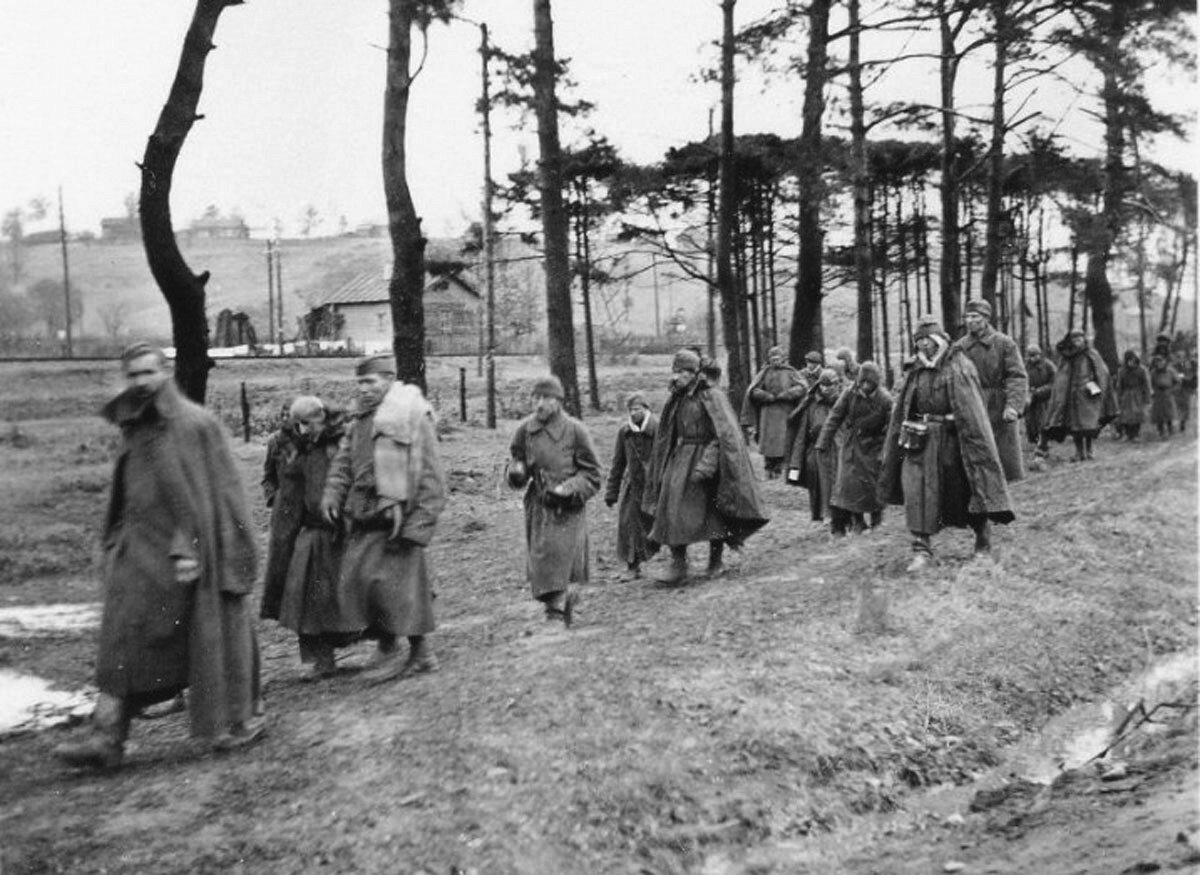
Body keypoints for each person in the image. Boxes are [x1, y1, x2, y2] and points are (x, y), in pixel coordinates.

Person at [54, 343, 262, 770]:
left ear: (166, 372)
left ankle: (234, 722)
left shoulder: (191, 424)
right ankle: (107, 735)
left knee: (207, 636)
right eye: (132, 376)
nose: (141, 383)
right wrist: (115, 542)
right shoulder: (137, 426)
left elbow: (209, 496)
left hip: (181, 561)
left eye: (149, 373)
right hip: (136, 556)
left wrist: (190, 548)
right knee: (120, 639)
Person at [320, 354, 447, 683]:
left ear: (389, 381)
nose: (362, 389)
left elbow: (433, 478)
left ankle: (420, 654)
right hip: (365, 517)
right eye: (359, 383)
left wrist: (419, 525)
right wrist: (333, 495)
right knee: (368, 586)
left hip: (399, 521)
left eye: (370, 382)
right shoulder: (360, 421)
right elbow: (344, 465)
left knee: (402, 592)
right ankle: (388, 646)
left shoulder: (412, 417)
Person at [878, 317, 1014, 572]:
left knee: (965, 488)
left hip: (955, 442)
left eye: (928, 341)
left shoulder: (958, 366)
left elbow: (971, 409)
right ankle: (921, 549)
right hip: (920, 442)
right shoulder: (916, 371)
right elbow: (906, 405)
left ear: (939, 340)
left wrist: (953, 419)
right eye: (919, 342)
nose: (924, 346)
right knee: (916, 492)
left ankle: (982, 540)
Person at [642, 349, 768, 585]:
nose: (676, 377)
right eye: (675, 372)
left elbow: (723, 434)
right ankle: (678, 563)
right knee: (671, 508)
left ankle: (716, 560)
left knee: (713, 511)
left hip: (708, 459)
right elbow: (668, 432)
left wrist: (707, 464)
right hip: (681, 458)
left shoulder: (712, 396)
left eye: (681, 372)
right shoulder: (677, 398)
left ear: (693, 373)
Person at [260, 396, 356, 680]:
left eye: (307, 423)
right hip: (301, 530)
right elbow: (272, 479)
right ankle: (322, 659)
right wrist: (277, 500)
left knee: (345, 590)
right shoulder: (283, 443)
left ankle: (381, 642)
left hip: (340, 528)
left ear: (322, 416)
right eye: (297, 424)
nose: (302, 430)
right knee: (305, 594)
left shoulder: (342, 440)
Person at [507, 376, 601, 626]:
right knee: (542, 558)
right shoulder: (525, 430)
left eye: (545, 399)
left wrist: (568, 488)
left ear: (558, 401)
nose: (539, 404)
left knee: (563, 556)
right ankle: (557, 605)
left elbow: (593, 474)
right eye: (535, 398)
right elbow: (517, 459)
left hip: (567, 506)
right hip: (539, 505)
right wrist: (516, 473)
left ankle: (556, 612)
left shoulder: (575, 430)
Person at [954, 299, 1028, 483]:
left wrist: (1013, 406)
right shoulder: (960, 347)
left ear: (986, 318)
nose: (970, 321)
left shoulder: (1004, 343)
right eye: (967, 317)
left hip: (999, 404)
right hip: (971, 402)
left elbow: (1016, 376)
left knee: (1002, 453)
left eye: (975, 316)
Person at [816, 361, 892, 536]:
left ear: (876, 383)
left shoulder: (885, 399)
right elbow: (835, 416)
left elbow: (891, 426)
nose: (865, 386)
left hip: (875, 445)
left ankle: (877, 519)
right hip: (852, 443)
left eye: (869, 383)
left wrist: (886, 450)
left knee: (874, 485)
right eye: (862, 382)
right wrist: (823, 440)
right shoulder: (850, 393)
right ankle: (857, 521)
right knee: (850, 484)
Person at [604, 392, 658, 580]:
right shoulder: (624, 432)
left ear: (646, 409)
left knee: (662, 524)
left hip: (655, 487)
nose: (633, 413)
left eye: (637, 409)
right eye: (630, 410)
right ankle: (632, 567)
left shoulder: (658, 428)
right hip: (632, 487)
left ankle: (679, 561)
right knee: (628, 525)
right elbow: (617, 463)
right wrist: (611, 493)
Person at [1044, 330, 1117, 461]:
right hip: (1071, 396)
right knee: (1074, 426)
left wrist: (1096, 385)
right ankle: (1079, 452)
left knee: (1088, 424)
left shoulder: (1091, 355)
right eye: (1075, 339)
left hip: (1088, 395)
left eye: (1080, 339)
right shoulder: (1066, 356)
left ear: (1084, 340)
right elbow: (1061, 376)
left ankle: (1089, 450)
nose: (1077, 342)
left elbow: (1102, 372)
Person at [740, 346, 807, 478]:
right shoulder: (764, 373)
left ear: (783, 359)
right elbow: (753, 390)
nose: (775, 361)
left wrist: (788, 394)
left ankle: (780, 468)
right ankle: (768, 467)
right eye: (773, 359)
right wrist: (765, 395)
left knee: (783, 441)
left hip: (785, 412)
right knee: (768, 442)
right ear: (769, 359)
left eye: (778, 359)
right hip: (768, 413)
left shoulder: (791, 372)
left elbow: (802, 387)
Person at [784, 368, 841, 524]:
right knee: (816, 477)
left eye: (830, 385)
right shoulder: (811, 405)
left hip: (839, 450)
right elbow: (801, 436)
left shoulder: (843, 402)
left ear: (837, 385)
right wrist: (794, 467)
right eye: (823, 385)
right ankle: (823, 515)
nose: (826, 389)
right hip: (816, 451)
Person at [1024, 345, 1057, 454]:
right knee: (1031, 423)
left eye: (1034, 356)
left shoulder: (1048, 366)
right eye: (1029, 356)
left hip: (1045, 400)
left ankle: (1044, 444)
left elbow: (1055, 383)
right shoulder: (1026, 367)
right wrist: (1027, 391)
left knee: (1043, 422)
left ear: (1039, 355)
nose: (1031, 359)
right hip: (1031, 400)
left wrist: (1040, 391)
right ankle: (1036, 443)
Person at [1113, 351, 1151, 442]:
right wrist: (1119, 397)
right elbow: (1119, 385)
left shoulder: (1141, 370)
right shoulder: (1122, 371)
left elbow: (1146, 384)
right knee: (1125, 416)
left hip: (1138, 394)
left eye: (1132, 360)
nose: (1131, 363)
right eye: (1129, 361)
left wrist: (1147, 396)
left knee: (1137, 415)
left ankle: (1135, 434)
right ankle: (1127, 433)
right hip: (1126, 395)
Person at [1148, 353, 1181, 438]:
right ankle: (1161, 431)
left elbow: (1177, 382)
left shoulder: (1170, 371)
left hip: (1168, 393)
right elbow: (1150, 383)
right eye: (1157, 362)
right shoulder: (1153, 372)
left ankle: (1170, 428)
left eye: (1160, 361)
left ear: (1164, 361)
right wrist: (1153, 391)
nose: (1159, 363)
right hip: (1158, 395)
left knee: (1169, 413)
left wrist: (1172, 390)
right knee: (1158, 414)